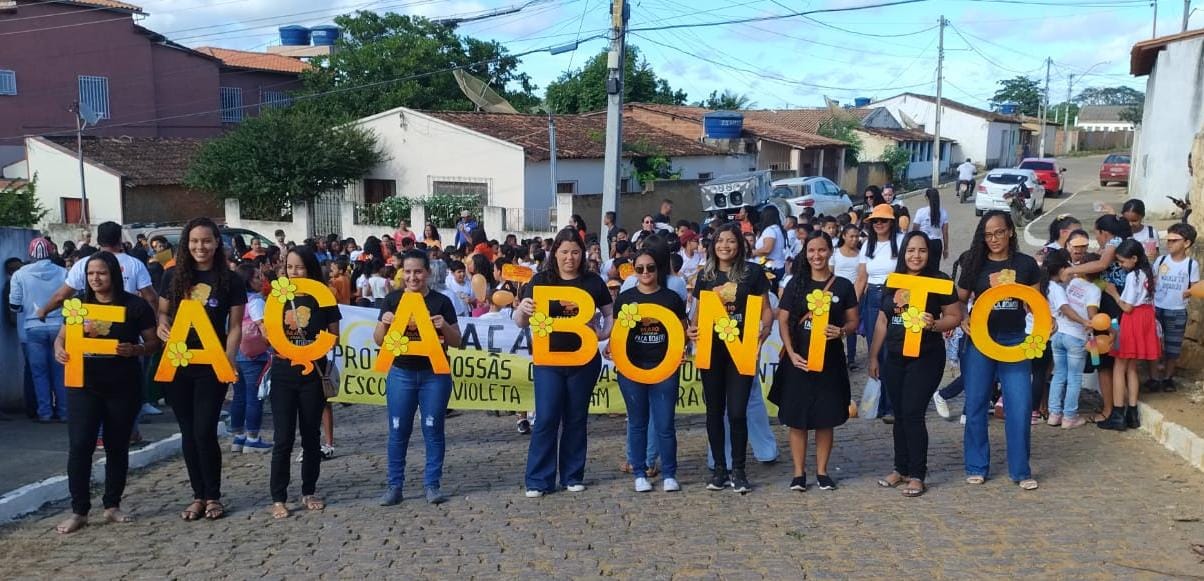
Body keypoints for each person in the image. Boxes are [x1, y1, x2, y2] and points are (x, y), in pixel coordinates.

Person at [51, 251, 159, 533]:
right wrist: (59, 349)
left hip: (122, 385)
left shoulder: (134, 306)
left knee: (116, 446)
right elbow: (62, 337)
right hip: (83, 384)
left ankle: (112, 505)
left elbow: (153, 343)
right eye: (90, 274)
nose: (95, 278)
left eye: (101, 273)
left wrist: (135, 349)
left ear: (113, 274)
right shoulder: (78, 304)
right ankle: (79, 511)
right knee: (80, 446)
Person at [158, 217, 247, 520]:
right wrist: (162, 326)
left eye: (206, 241)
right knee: (187, 432)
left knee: (204, 429)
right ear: (186, 244)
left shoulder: (231, 280)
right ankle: (198, 495)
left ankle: (213, 496)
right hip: (179, 361)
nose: (200, 247)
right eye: (194, 241)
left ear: (216, 243)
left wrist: (229, 360)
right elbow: (162, 313)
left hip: (212, 362)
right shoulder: (172, 277)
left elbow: (235, 326)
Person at [514, 229, 613, 498]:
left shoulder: (593, 282)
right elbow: (520, 321)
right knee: (546, 417)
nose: (570, 257)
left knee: (576, 418)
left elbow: (609, 314)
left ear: (582, 254)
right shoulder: (540, 281)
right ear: (554, 252)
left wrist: (602, 334)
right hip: (549, 361)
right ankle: (538, 479)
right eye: (564, 251)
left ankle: (572, 475)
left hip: (583, 360)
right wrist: (522, 310)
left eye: (575, 252)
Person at [868, 232, 962, 497]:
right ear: (903, 253)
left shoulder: (940, 282)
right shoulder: (893, 281)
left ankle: (918, 474)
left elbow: (955, 316)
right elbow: (882, 320)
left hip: (926, 357)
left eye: (921, 250)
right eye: (910, 250)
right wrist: (874, 355)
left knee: (913, 412)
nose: (916, 256)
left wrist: (935, 325)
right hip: (895, 356)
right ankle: (901, 469)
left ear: (929, 253)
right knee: (899, 413)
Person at [957, 211, 1040, 490]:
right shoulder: (973, 262)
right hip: (980, 341)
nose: (994, 239)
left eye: (999, 232)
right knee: (977, 404)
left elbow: (1035, 304)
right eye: (988, 234)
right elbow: (959, 300)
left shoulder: (1026, 264)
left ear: (1010, 233)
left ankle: (1021, 470)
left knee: (1019, 405)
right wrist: (963, 317)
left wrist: (1044, 325)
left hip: (1015, 340)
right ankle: (976, 465)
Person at [688, 223, 773, 493]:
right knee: (714, 411)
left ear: (740, 244)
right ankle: (720, 470)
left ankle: (739, 469)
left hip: (741, 348)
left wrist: (766, 328)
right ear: (713, 245)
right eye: (720, 241)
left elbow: (766, 310)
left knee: (737, 411)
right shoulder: (705, 275)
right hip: (712, 349)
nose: (725, 245)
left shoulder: (753, 272)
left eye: (731, 241)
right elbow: (698, 314)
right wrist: (691, 328)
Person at [375, 250, 462, 506]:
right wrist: (384, 323)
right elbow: (379, 340)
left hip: (434, 375)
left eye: (418, 272)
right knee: (398, 430)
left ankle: (432, 484)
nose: (413, 277)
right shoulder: (392, 300)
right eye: (408, 272)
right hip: (401, 373)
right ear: (402, 273)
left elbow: (457, 341)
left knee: (433, 428)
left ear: (428, 273)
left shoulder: (441, 301)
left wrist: (443, 326)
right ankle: (394, 485)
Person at [775, 231, 859, 492]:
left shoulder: (843, 286)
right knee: (797, 418)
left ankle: (822, 471)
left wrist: (842, 331)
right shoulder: (795, 284)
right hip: (798, 360)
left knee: (825, 417)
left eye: (821, 250)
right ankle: (799, 474)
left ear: (830, 251)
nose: (816, 256)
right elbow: (783, 320)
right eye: (811, 251)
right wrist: (790, 352)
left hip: (829, 361)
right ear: (805, 252)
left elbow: (854, 321)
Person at [267, 247, 341, 518]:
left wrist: (312, 343)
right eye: (289, 267)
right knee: (283, 438)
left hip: (313, 375)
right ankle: (278, 497)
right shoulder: (277, 298)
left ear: (310, 269)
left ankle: (309, 490)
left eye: (299, 267)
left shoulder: (324, 297)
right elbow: (271, 337)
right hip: (283, 374)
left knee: (311, 437)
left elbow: (335, 337)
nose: (294, 272)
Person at [607, 249, 686, 493]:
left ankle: (670, 473)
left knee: (664, 423)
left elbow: (682, 330)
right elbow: (617, 333)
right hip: (632, 368)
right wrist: (611, 348)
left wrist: (681, 350)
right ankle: (639, 472)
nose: (645, 273)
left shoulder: (671, 298)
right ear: (634, 269)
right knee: (637, 423)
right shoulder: (625, 298)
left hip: (665, 367)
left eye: (650, 268)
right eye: (640, 268)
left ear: (658, 269)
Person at [1099, 239, 1160, 431]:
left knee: (1119, 366)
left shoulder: (1133, 277)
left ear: (1134, 258)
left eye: (1123, 261)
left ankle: (1118, 413)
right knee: (1131, 366)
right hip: (1145, 317)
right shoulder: (1147, 272)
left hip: (1132, 319)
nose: (1120, 265)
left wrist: (1113, 293)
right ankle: (1132, 412)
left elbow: (1127, 306)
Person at [9, 238, 68, 422]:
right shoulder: (62, 272)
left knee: (39, 372)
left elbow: (15, 305)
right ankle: (64, 411)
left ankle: (45, 412)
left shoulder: (20, 274)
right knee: (60, 371)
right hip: (59, 326)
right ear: (51, 251)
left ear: (30, 254)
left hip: (33, 327)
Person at [855, 204, 903, 421]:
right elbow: (861, 278)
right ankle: (880, 403)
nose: (879, 224)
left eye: (883, 220)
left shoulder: (902, 242)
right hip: (872, 298)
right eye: (875, 221)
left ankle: (893, 403)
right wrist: (852, 305)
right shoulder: (867, 246)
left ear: (891, 222)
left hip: (896, 296)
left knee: (891, 350)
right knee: (876, 350)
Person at [1044, 250, 1098, 429]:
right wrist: (1087, 321)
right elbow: (1077, 311)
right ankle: (1069, 417)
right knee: (1074, 377)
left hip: (1058, 335)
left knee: (1059, 374)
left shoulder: (1073, 282)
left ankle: (1054, 414)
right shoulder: (1094, 290)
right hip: (1075, 337)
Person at [229, 264, 272, 453]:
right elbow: (262, 326)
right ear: (248, 280)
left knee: (239, 396)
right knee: (254, 396)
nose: (261, 281)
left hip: (235, 351)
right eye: (257, 277)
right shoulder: (255, 301)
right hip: (253, 354)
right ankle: (253, 438)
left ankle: (238, 437)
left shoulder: (234, 301)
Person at [1151, 223, 1199, 392]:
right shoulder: (1160, 260)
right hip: (1157, 307)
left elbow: (1194, 287)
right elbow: (1153, 280)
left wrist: (1187, 293)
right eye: (1168, 240)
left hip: (1177, 310)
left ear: (1186, 243)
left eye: (1174, 240)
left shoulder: (1191, 265)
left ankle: (1168, 378)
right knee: (1155, 344)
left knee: (1173, 346)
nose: (1169, 243)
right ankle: (1154, 377)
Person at [833, 224, 862, 368]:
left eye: (857, 236)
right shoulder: (835, 253)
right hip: (836, 295)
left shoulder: (861, 254)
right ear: (844, 236)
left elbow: (863, 276)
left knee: (852, 326)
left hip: (854, 294)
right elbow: (830, 274)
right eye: (851, 236)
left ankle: (851, 358)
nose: (855, 239)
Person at [752, 206, 788, 284]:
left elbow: (767, 249)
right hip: (777, 266)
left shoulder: (770, 230)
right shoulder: (777, 229)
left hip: (770, 269)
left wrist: (753, 253)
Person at [912, 188, 949, 261]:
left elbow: (915, 231)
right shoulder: (943, 212)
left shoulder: (920, 212)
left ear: (926, 198)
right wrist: (946, 249)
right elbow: (945, 233)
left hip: (923, 243)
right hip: (937, 244)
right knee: (934, 269)